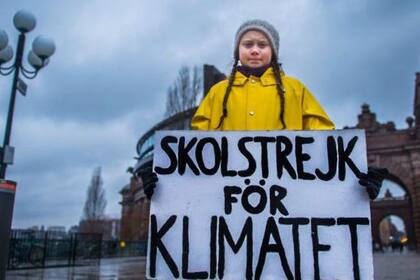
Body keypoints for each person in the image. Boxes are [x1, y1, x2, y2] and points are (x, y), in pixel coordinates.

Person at [143, 19, 387, 199]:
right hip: (228, 198)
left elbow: (324, 142)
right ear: (238, 51)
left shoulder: (296, 89)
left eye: (262, 44)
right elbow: (198, 149)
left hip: (288, 198)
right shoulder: (217, 93)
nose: (255, 50)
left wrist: (355, 173)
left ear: (273, 51)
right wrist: (167, 178)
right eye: (248, 44)